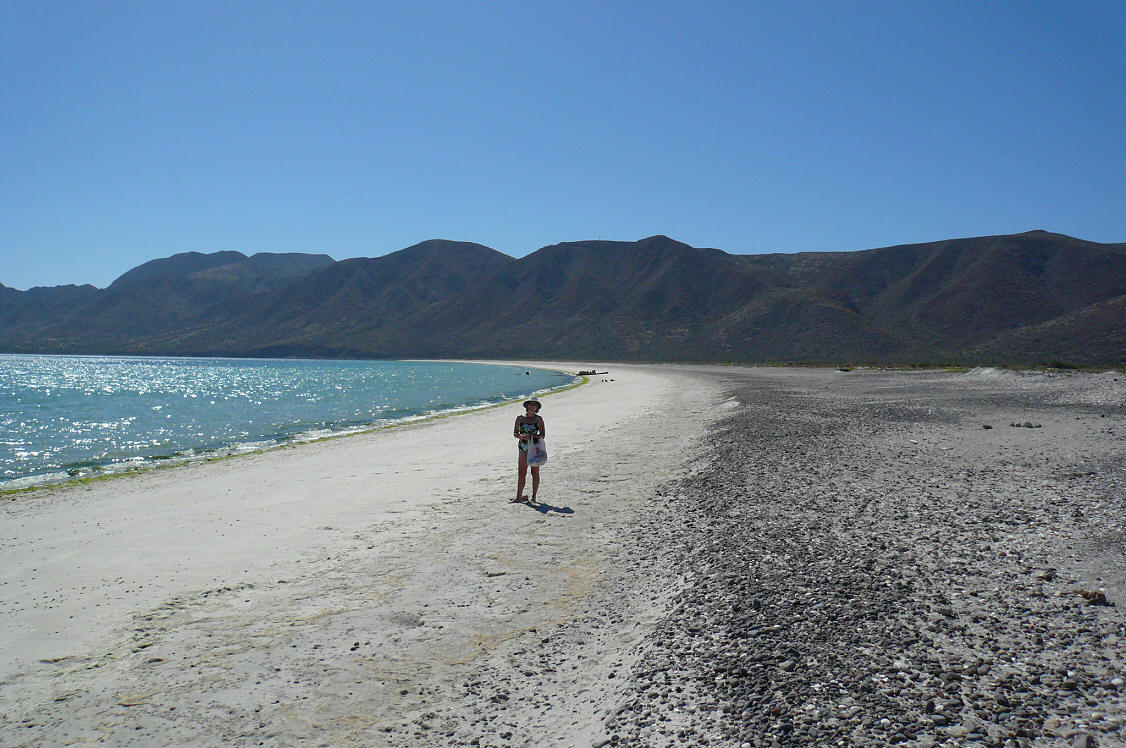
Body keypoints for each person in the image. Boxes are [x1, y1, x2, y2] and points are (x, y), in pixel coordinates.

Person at [512, 399, 545, 503]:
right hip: (523, 448)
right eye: (530, 404)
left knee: (535, 472)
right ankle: (518, 497)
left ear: (537, 408)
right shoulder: (520, 418)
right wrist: (521, 436)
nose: (532, 407)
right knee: (521, 473)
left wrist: (531, 436)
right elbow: (515, 433)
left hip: (535, 448)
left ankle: (534, 497)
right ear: (527, 406)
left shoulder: (539, 419)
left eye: (534, 405)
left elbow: (542, 435)